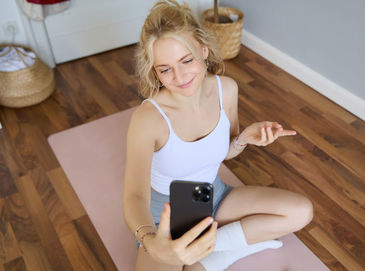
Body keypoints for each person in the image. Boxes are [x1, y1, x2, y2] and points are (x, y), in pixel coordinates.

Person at [122, 1, 313, 270]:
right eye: (165, 69)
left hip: (212, 197)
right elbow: (134, 196)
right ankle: (217, 248)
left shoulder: (227, 90)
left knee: (301, 211)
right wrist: (151, 240)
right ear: (154, 71)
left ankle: (214, 248)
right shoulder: (148, 119)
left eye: (187, 60)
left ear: (203, 49)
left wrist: (243, 139)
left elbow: (222, 153)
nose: (180, 76)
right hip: (163, 219)